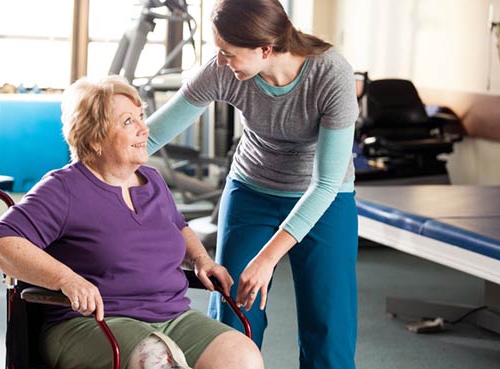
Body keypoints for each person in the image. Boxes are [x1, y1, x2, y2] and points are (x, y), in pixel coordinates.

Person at [0, 76, 264, 369]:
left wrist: (200, 259)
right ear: (94, 138)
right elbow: (3, 243)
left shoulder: (152, 181)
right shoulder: (64, 188)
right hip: (92, 323)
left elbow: (178, 225)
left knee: (242, 355)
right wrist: (66, 279)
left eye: (141, 117)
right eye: (128, 121)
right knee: (156, 360)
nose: (144, 128)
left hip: (172, 316)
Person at [145, 1, 359, 368]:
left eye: (228, 53)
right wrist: (85, 169)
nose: (220, 61)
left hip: (326, 200)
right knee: (234, 313)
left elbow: (324, 184)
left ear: (265, 49)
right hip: (253, 190)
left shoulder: (331, 74)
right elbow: (152, 135)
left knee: (328, 323)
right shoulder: (223, 70)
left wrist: (267, 259)